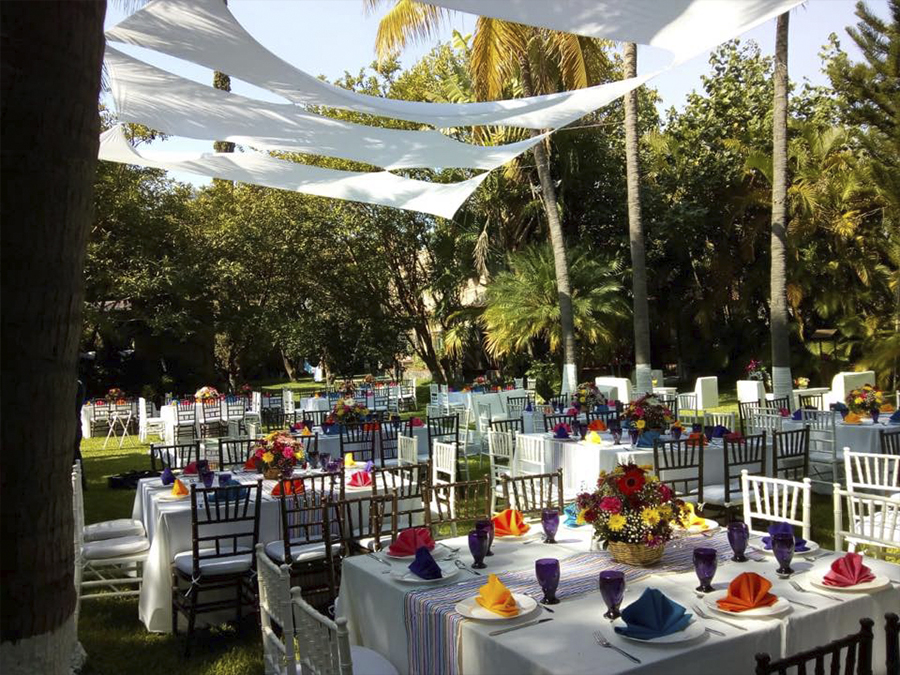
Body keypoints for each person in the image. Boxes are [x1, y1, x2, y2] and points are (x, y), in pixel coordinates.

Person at [75, 378, 86, 489]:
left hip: (74, 425)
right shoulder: (79, 385)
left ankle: (81, 482)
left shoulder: (76, 386)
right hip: (76, 424)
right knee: (76, 453)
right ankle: (81, 482)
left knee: (75, 454)